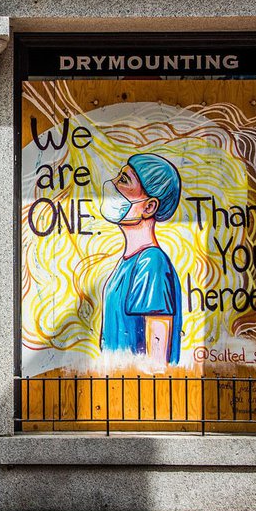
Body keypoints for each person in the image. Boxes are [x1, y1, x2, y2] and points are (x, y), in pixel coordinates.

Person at [98, 153, 182, 365]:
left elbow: (157, 359)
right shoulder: (129, 262)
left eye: (124, 181)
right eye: (118, 177)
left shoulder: (151, 263)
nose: (114, 185)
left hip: (137, 390)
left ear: (149, 207)